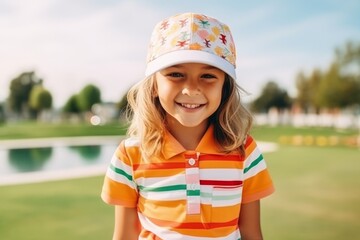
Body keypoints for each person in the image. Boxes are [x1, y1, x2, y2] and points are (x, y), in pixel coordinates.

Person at [101, 12, 275, 240]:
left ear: (225, 87)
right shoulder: (129, 156)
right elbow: (124, 236)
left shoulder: (245, 152)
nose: (191, 89)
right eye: (175, 74)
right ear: (153, 85)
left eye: (208, 76)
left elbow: (252, 233)